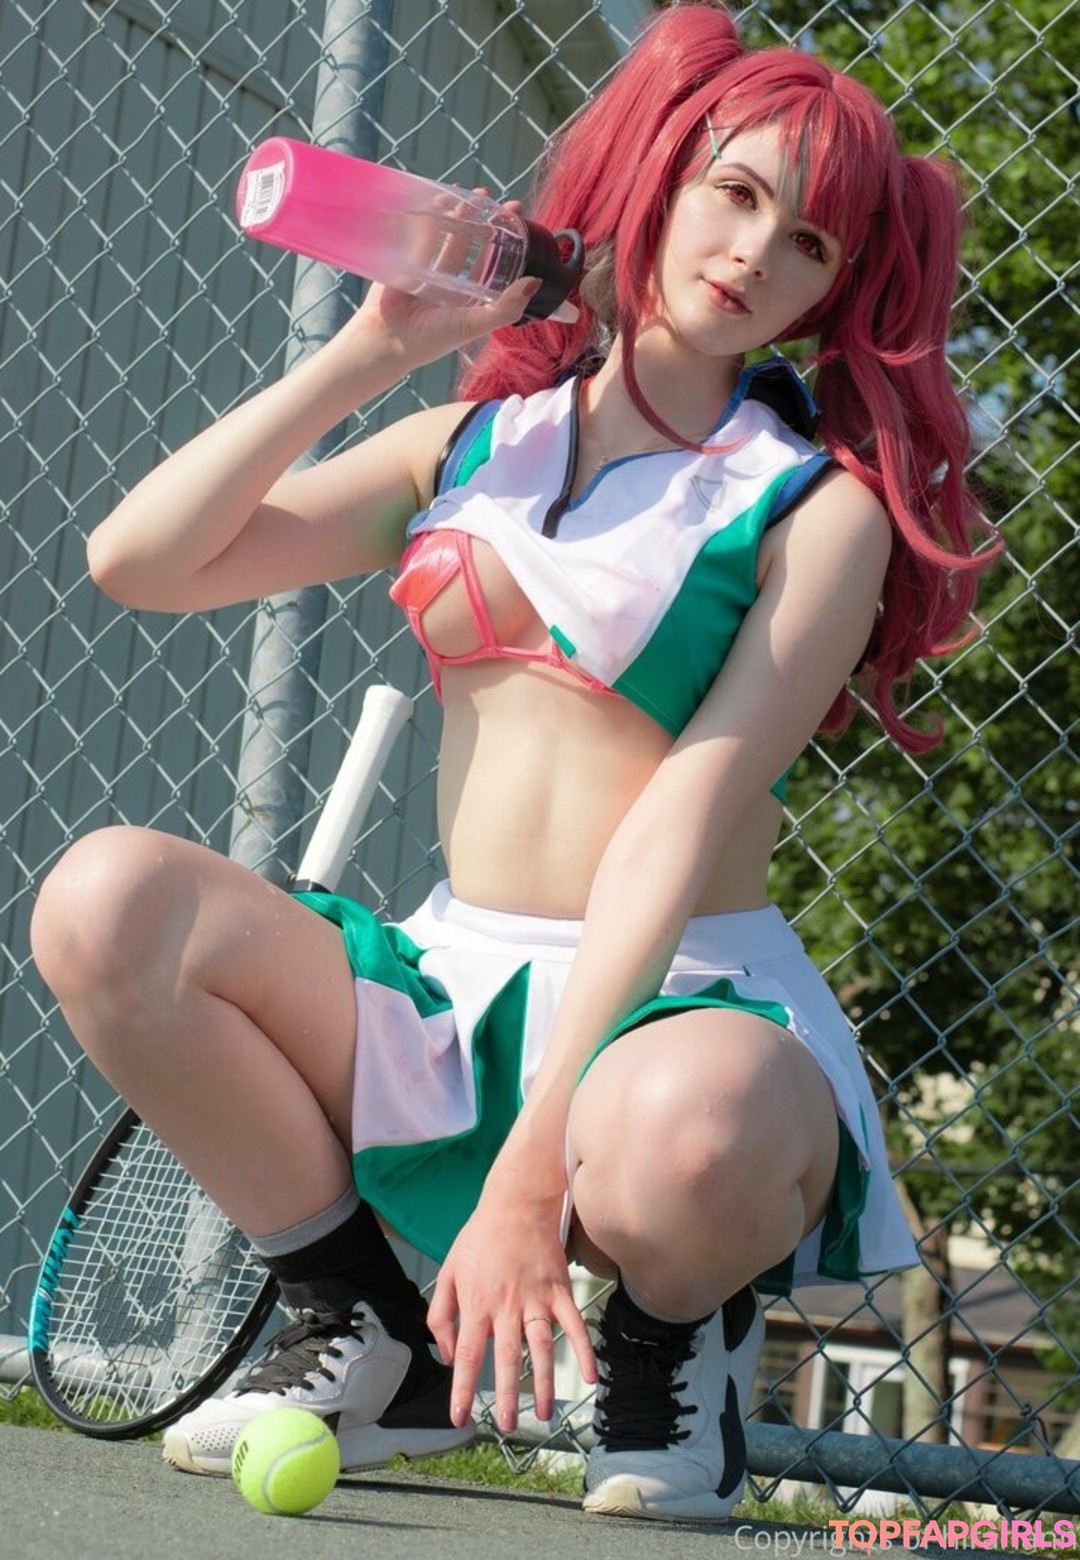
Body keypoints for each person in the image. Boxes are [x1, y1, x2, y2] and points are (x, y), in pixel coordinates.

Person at [30, 1, 994, 1524]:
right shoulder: (473, 443)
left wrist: (534, 1166)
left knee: (693, 1131)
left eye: (809, 240)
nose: (755, 250)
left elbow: (682, 819)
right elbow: (137, 562)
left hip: (680, 1010)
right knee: (105, 901)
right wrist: (372, 350)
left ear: (833, 286)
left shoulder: (818, 513)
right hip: (450, 986)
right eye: (736, 192)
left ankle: (669, 1341)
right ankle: (367, 1324)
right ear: (661, 176)